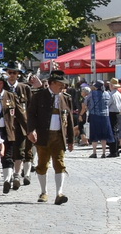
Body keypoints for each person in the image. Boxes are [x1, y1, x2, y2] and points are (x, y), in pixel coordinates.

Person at [27, 70, 76, 205]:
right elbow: (31, 115)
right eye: (60, 84)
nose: (63, 87)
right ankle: (44, 192)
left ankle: (59, 193)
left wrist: (71, 139)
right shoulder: (39, 96)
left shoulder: (66, 97)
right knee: (42, 164)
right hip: (43, 135)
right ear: (52, 83)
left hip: (59, 136)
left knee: (59, 164)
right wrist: (31, 130)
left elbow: (70, 119)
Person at [86, 78, 115, 158]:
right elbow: (108, 103)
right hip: (105, 116)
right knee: (104, 135)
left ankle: (94, 153)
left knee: (94, 134)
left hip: (94, 115)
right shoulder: (107, 94)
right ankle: (103, 153)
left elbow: (86, 102)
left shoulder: (92, 93)